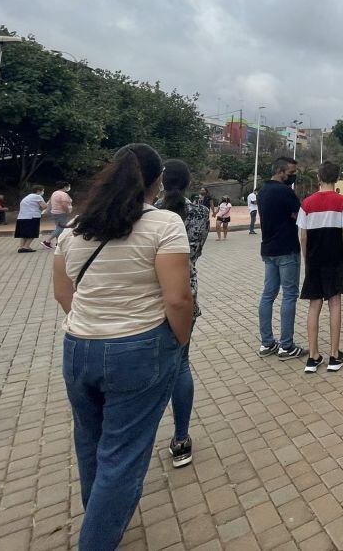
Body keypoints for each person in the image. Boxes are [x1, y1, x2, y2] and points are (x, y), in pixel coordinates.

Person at [52, 143, 192, 550]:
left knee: (90, 441)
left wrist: (94, 321)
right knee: (123, 457)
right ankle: (97, 538)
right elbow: (178, 299)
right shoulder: (165, 224)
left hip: (78, 347)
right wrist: (177, 342)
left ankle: (99, 517)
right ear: (157, 181)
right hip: (137, 350)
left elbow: (64, 294)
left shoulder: (76, 227)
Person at [157, 159, 209, 468]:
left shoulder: (148, 213)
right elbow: (197, 252)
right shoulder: (200, 213)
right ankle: (180, 438)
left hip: (150, 294)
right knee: (180, 365)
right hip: (185, 291)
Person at [298, 161, 343, 372]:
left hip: (314, 259)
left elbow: (302, 236)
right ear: (336, 178)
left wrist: (306, 258)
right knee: (335, 304)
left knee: (314, 305)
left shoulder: (307, 203)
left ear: (319, 177)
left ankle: (312, 357)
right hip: (335, 258)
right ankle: (334, 356)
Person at [257, 157, 304, 360]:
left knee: (268, 295)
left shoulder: (262, 191)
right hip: (287, 249)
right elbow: (299, 215)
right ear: (280, 171)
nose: (293, 176)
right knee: (289, 295)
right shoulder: (285, 192)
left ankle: (267, 343)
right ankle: (287, 345)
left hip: (268, 250)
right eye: (291, 172)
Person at [15, 186, 47, 253]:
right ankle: (26, 247)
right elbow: (44, 206)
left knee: (24, 233)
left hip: (22, 217)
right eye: (42, 191)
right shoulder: (37, 197)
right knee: (32, 232)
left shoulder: (27, 197)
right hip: (32, 217)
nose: (42, 192)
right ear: (38, 191)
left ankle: (21, 247)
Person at [43, 181, 74, 249]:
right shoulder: (63, 194)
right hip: (61, 213)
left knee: (58, 227)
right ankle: (47, 241)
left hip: (55, 213)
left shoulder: (55, 193)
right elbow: (64, 204)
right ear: (65, 187)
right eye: (68, 186)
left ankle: (58, 243)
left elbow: (50, 202)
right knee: (61, 228)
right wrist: (67, 211)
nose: (69, 188)